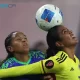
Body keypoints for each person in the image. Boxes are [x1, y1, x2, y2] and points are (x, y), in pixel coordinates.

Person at [0, 25, 80, 80]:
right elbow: (25, 69)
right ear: (10, 48)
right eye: (18, 39)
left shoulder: (39, 56)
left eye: (25, 38)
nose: (24, 40)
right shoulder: (7, 65)